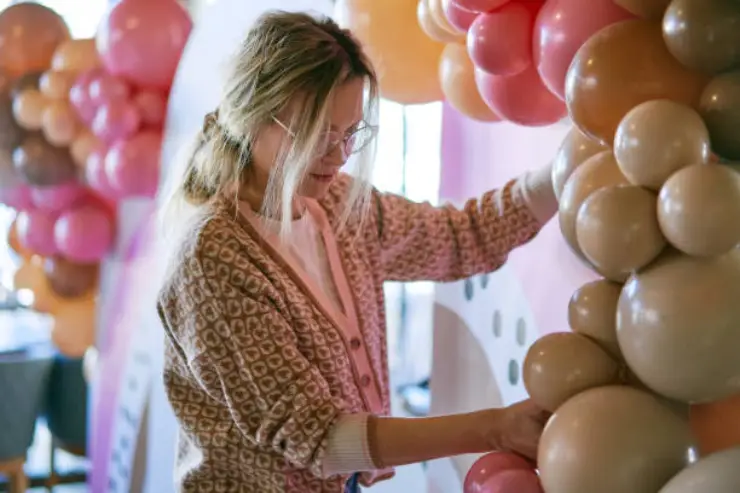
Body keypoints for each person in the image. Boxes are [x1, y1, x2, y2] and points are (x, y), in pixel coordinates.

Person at [156, 10, 558, 493]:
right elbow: (321, 440)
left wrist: (560, 177)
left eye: (350, 133)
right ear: (253, 115)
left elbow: (459, 238)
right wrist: (493, 427)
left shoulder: (338, 204)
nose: (339, 154)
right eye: (319, 133)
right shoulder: (213, 257)